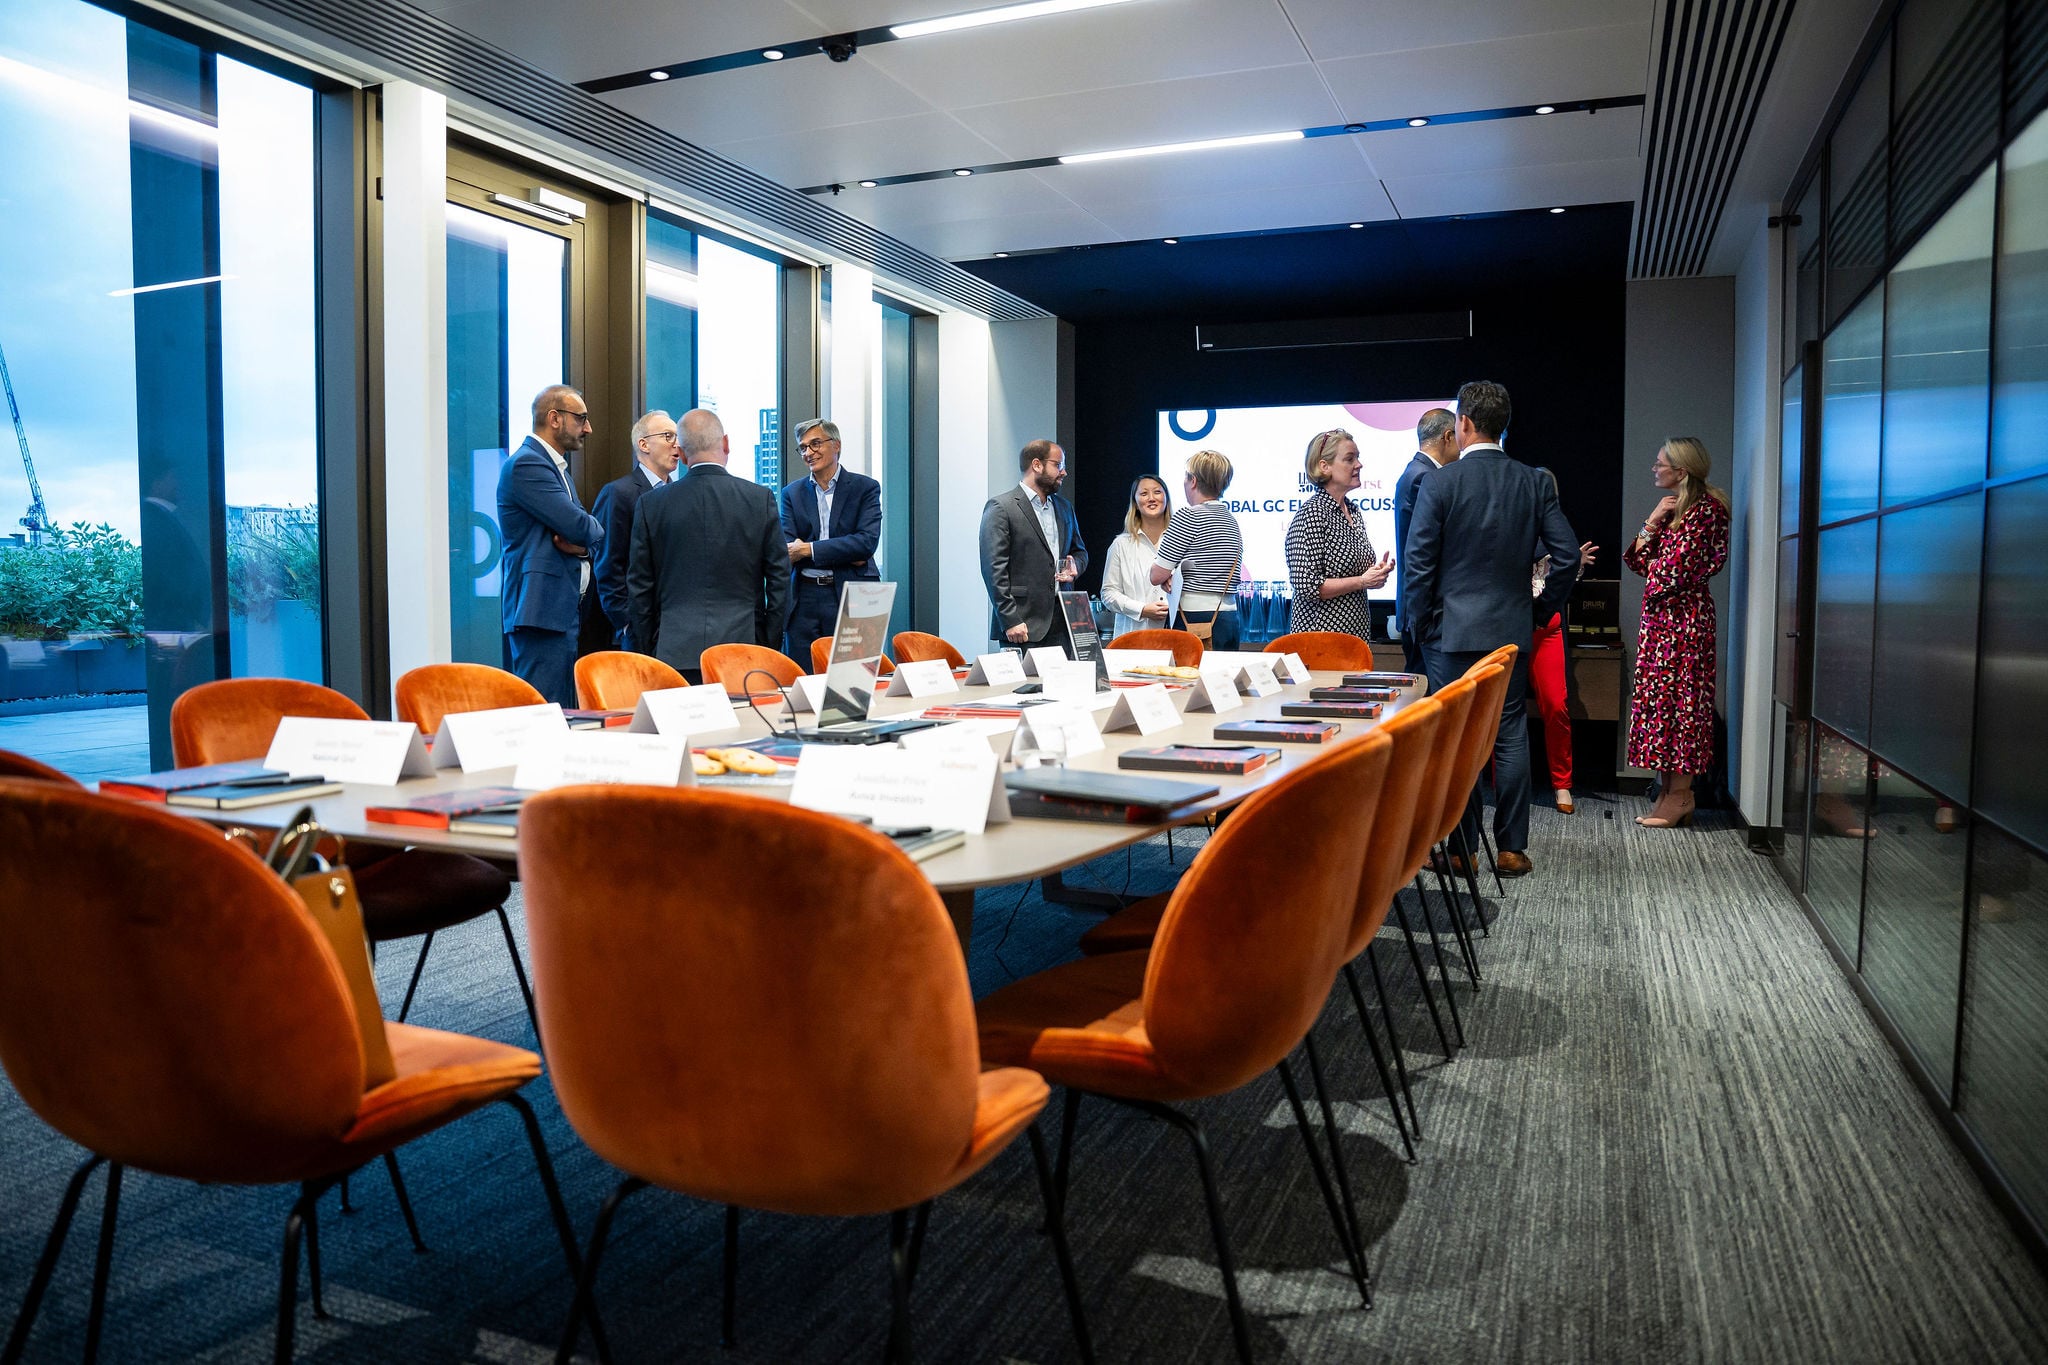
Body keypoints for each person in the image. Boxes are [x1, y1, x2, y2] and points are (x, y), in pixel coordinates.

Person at [1403, 379, 1581, 877]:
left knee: (1458, 742)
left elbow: (1419, 565)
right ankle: (1512, 850)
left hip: (1450, 637)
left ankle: (1462, 851)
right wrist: (1539, 612)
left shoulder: (1440, 482)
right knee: (1509, 736)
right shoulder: (1534, 482)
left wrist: (1420, 626)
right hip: (1510, 632)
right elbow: (1567, 557)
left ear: (1462, 423)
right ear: (1503, 426)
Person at [627, 408, 790, 684]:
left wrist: (650, 647)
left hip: (672, 651)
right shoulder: (759, 499)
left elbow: (640, 587)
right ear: (725, 443)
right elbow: (779, 581)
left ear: (682, 453)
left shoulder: (651, 504)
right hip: (744, 648)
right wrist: (767, 643)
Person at [1623, 437, 1731, 828]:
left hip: (1686, 623)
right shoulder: (1673, 509)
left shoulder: (1708, 511)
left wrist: (1656, 563)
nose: (1654, 469)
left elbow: (1673, 572)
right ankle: (1668, 792)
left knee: (1684, 704)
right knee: (1662, 706)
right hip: (1661, 624)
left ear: (1681, 470)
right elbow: (1637, 561)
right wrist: (1652, 520)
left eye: (1660, 464)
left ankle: (1682, 794)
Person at [498, 384, 604, 706]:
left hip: (559, 612)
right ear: (555, 418)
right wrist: (589, 532)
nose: (588, 428)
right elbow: (582, 526)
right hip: (540, 613)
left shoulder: (556, 469)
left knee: (562, 712)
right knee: (546, 714)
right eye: (581, 418)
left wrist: (583, 547)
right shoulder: (528, 465)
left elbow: (585, 536)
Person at [778, 418, 882, 659]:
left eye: (815, 444)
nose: (808, 453)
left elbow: (865, 544)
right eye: (803, 447)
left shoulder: (865, 488)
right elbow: (788, 549)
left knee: (854, 673)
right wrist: (845, 551)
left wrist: (808, 550)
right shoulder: (791, 493)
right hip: (804, 597)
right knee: (803, 672)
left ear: (836, 445)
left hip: (852, 594)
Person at [1284, 429, 1396, 640]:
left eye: (1358, 458)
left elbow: (1353, 573)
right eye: (1349, 459)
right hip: (1321, 639)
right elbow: (1307, 585)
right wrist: (1362, 581)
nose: (1359, 465)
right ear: (1324, 466)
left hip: (1355, 636)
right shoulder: (1312, 514)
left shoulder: (1352, 510)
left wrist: (1375, 574)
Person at [979, 439, 1089, 650]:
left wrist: (1076, 565)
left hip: (1065, 621)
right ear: (1037, 465)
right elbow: (993, 569)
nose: (1064, 472)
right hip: (1023, 624)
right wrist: (1010, 619)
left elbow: (1080, 551)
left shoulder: (1064, 507)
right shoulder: (1001, 507)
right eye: (1058, 465)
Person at [588, 410, 679, 652]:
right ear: (643, 444)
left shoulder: (679, 494)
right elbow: (608, 564)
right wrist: (627, 623)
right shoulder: (618, 493)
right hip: (638, 628)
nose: (677, 444)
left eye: (678, 437)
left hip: (676, 628)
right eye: (668, 436)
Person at [1148, 448, 1243, 650]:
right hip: (1229, 617)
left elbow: (1156, 575)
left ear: (1193, 481)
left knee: (1188, 672)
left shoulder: (1188, 516)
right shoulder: (1231, 521)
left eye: (1186, 477)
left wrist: (1168, 576)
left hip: (1193, 617)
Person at [1530, 537, 1600, 813]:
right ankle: (1504, 785)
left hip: (1548, 629)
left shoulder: (1552, 535)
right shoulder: (1505, 528)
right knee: (1504, 711)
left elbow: (1562, 586)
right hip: (1511, 626)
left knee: (1556, 706)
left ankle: (1562, 783)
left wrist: (1574, 565)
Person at [1395, 408, 1459, 673]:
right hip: (1425, 614)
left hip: (1421, 611)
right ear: (1448, 436)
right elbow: (1425, 550)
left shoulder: (1416, 472)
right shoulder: (1423, 477)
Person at [1099, 474, 1173, 638]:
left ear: (1166, 498)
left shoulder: (1181, 541)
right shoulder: (1121, 545)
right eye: (1144, 493)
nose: (1151, 498)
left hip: (1177, 635)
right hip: (1133, 636)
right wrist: (1142, 610)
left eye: (1157, 492)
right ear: (1135, 503)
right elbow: (1108, 593)